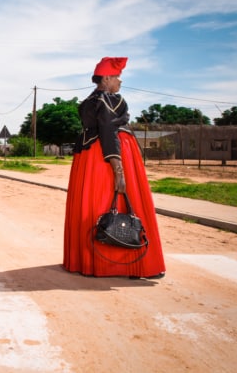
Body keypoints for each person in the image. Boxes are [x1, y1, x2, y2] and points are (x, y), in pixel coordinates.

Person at [63, 57, 166, 278]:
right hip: (111, 155)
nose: (120, 82)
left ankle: (88, 262)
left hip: (89, 158)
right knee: (122, 201)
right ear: (107, 78)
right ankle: (128, 264)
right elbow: (109, 130)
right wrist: (118, 170)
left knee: (91, 205)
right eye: (117, 77)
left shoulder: (87, 102)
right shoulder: (112, 100)